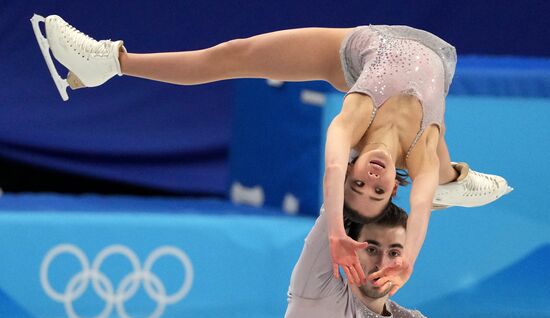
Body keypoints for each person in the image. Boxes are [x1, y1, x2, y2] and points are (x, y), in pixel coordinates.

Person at [32, 15, 512, 293]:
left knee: (233, 55)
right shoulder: (420, 152)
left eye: (357, 185)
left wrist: (336, 232)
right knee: (435, 174)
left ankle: (107, 62)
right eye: (379, 189)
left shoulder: (355, 115)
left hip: (357, 51)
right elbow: (420, 204)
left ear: (349, 172)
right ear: (391, 186)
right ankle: (457, 181)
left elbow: (330, 164)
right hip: (413, 54)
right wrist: (406, 258)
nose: (372, 178)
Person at [280, 204, 455, 318]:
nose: (381, 264)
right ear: (350, 248)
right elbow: (336, 205)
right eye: (371, 250)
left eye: (394, 253)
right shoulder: (317, 291)